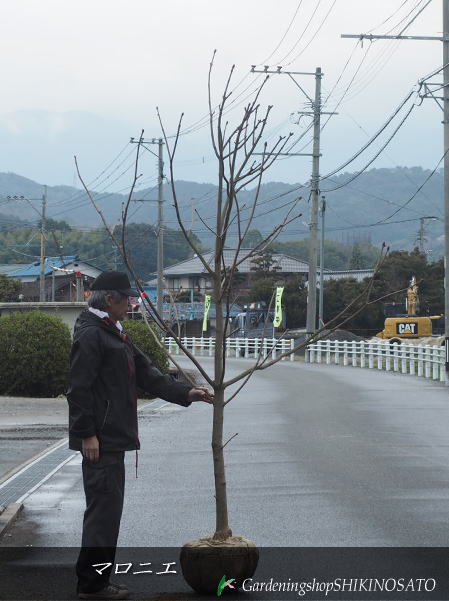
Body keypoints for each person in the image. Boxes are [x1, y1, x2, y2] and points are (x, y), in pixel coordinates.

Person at [67, 271, 213, 600]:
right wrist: (87, 434)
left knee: (107, 513)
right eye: (127, 298)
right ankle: (91, 586)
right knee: (102, 515)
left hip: (111, 437)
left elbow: (147, 372)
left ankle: (98, 581)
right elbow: (78, 389)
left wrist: (187, 392)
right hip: (100, 441)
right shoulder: (92, 334)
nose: (132, 303)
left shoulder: (112, 331)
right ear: (109, 299)